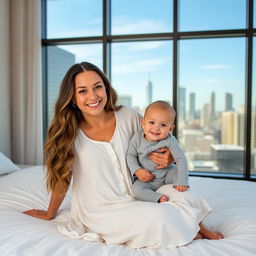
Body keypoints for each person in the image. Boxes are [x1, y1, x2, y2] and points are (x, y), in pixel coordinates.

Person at [23, 62, 223, 248]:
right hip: (102, 209)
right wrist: (51, 213)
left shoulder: (127, 115)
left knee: (186, 193)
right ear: (73, 98)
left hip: (141, 191)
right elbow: (62, 177)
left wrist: (169, 157)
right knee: (158, 216)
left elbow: (158, 139)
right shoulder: (69, 133)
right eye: (82, 91)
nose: (93, 96)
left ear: (106, 88)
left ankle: (196, 226)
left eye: (97, 87)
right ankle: (189, 228)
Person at [127, 101, 189, 203]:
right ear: (143, 123)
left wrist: (182, 180)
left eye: (163, 125)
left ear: (170, 128)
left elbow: (181, 158)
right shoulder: (137, 138)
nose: (156, 128)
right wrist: (137, 171)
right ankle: (157, 198)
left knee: (179, 172)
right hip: (147, 179)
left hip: (166, 174)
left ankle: (181, 190)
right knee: (136, 190)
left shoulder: (170, 140)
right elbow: (130, 155)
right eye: (151, 122)